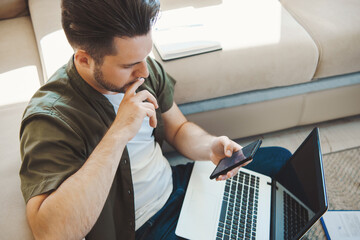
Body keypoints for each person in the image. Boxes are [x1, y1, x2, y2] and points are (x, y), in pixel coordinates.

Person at [19, 0, 291, 239]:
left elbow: (179, 129)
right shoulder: (51, 118)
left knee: (283, 161)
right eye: (129, 65)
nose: (145, 71)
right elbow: (51, 232)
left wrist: (210, 147)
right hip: (142, 227)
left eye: (145, 57)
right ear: (85, 59)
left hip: (177, 184)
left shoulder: (143, 71)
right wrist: (118, 133)